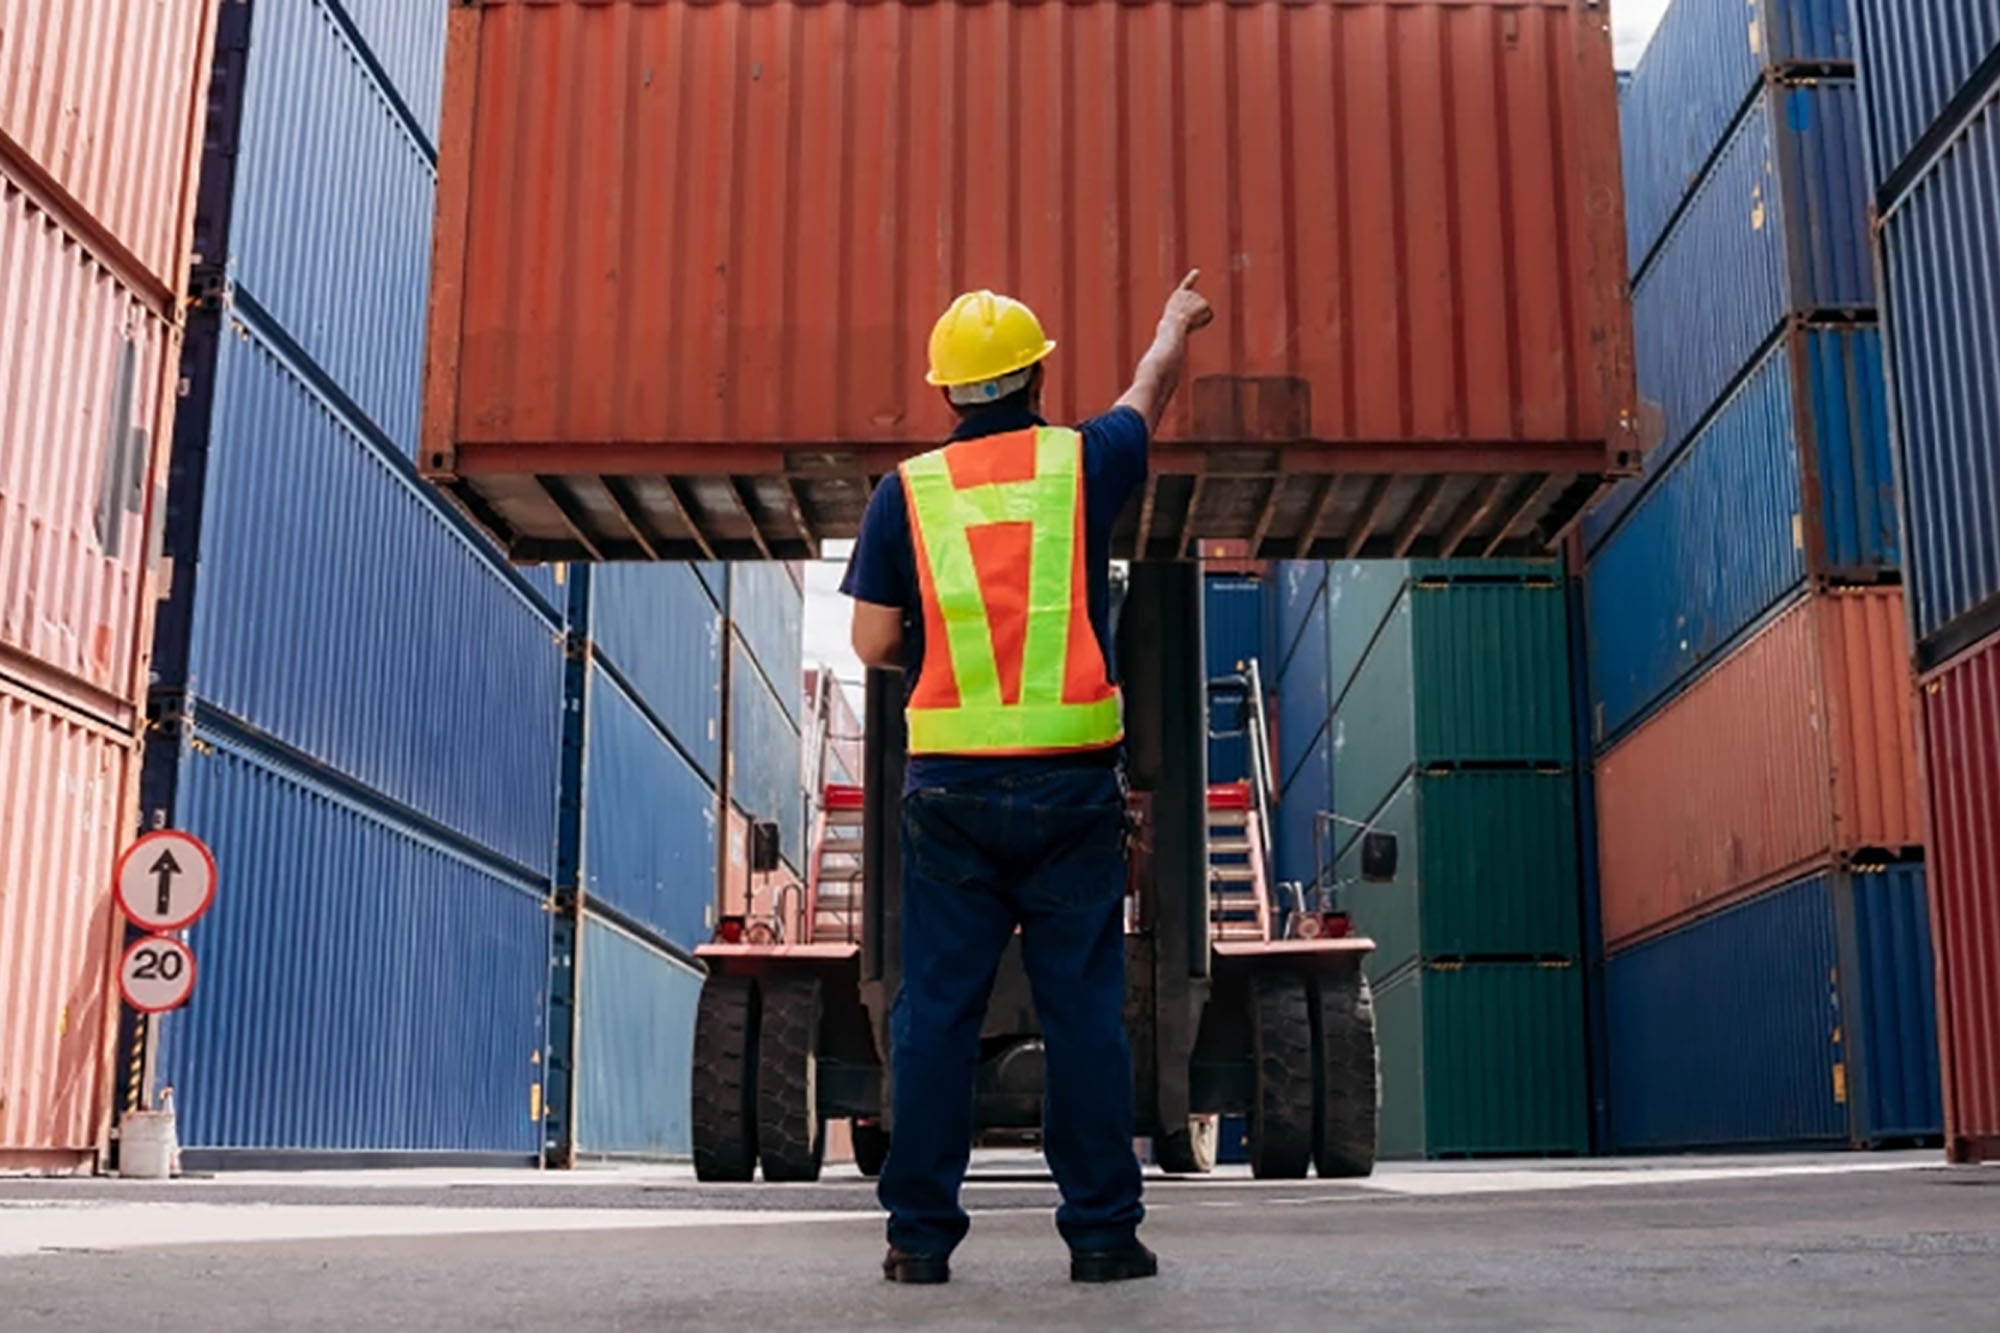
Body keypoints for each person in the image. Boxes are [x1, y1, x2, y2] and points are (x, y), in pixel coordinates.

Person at [841, 274, 1215, 1285]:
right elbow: (1150, 392)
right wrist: (1171, 321)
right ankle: (1099, 1234)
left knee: (936, 1016)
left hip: (952, 792)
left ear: (946, 393)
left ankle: (917, 1239)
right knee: (1083, 1013)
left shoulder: (905, 493)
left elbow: (872, 637)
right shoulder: (1082, 463)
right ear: (1038, 373)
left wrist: (937, 657)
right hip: (1068, 791)